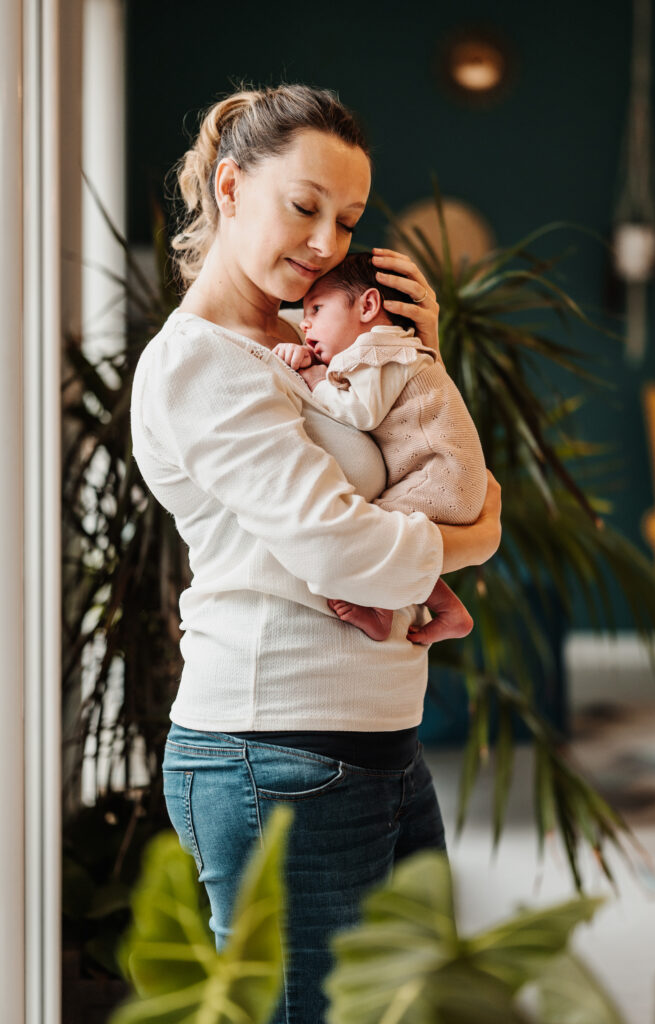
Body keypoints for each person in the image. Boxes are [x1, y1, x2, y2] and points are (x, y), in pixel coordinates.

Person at [129, 83, 502, 1023]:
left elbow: (429, 464)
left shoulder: (317, 346)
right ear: (229, 186)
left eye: (346, 219)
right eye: (305, 207)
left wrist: (420, 359)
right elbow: (342, 549)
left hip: (373, 745)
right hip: (274, 754)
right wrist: (479, 536)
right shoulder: (200, 364)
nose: (328, 243)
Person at [271, 250, 488, 646]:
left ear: (369, 305)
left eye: (316, 308)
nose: (305, 323)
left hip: (444, 475)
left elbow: (359, 411)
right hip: (450, 476)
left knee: (381, 536)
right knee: (393, 535)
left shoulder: (379, 351)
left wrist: (314, 376)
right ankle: (449, 610)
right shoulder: (387, 349)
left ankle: (382, 612)